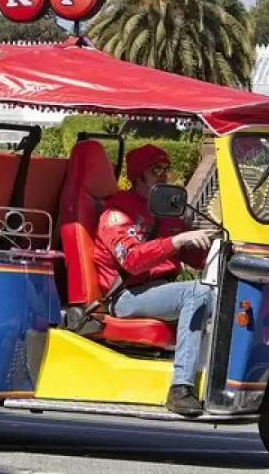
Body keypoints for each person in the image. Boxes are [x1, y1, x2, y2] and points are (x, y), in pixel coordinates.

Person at [93, 143, 217, 417]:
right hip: (127, 295)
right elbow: (132, 261)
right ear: (138, 175)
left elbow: (195, 259)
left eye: (165, 169)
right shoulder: (117, 212)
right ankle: (180, 388)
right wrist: (175, 241)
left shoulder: (166, 211)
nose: (163, 175)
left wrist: (214, 244)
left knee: (223, 291)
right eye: (155, 169)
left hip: (161, 291)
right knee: (196, 292)